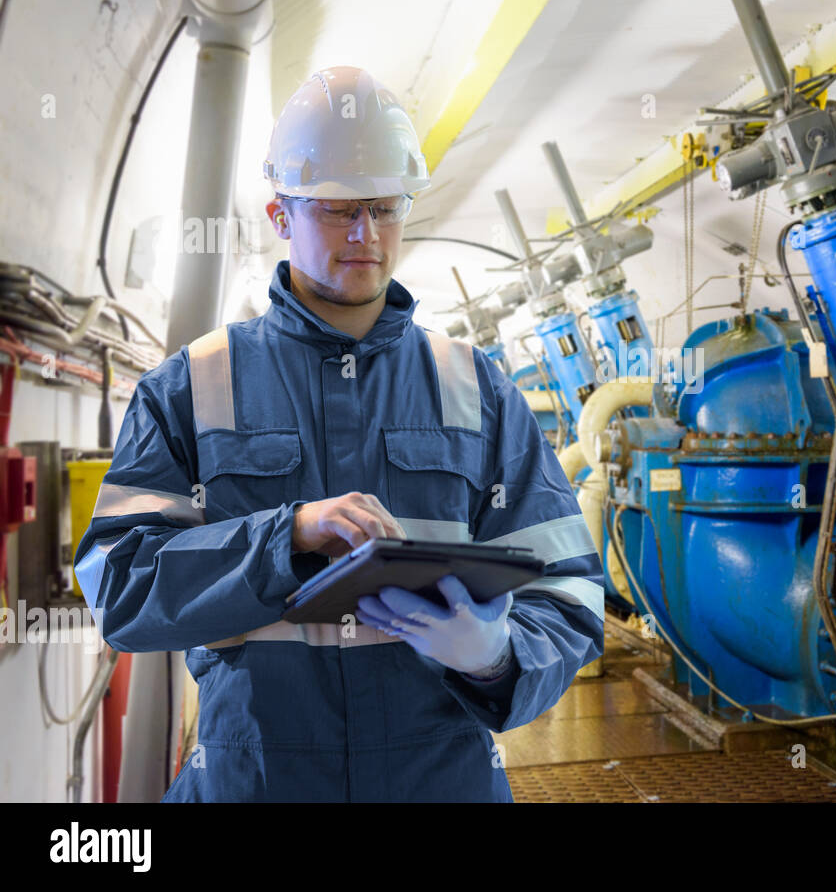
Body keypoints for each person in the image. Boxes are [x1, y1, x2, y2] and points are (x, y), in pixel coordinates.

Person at [73, 66, 604, 801]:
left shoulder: (474, 385)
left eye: (385, 208)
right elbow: (117, 581)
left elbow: (571, 586)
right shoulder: (192, 385)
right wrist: (283, 536)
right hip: (257, 779)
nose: (367, 234)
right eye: (337, 210)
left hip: (440, 780)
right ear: (280, 215)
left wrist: (495, 654)